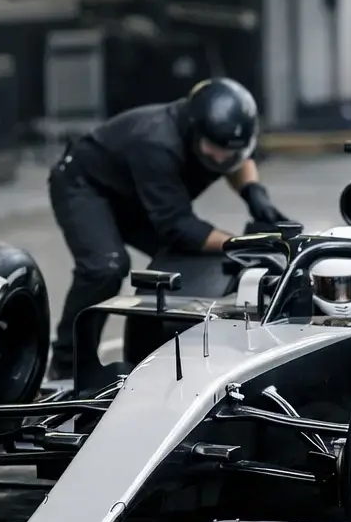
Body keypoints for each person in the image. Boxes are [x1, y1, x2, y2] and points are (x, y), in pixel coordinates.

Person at [46, 77, 288, 379]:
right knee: (106, 267)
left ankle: (154, 352)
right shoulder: (157, 143)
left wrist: (254, 193)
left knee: (187, 261)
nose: (223, 160)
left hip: (137, 192)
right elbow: (179, 227)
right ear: (194, 130)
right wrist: (241, 244)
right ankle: (67, 364)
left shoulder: (217, 143)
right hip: (86, 186)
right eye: (216, 151)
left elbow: (238, 160)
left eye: (232, 154)